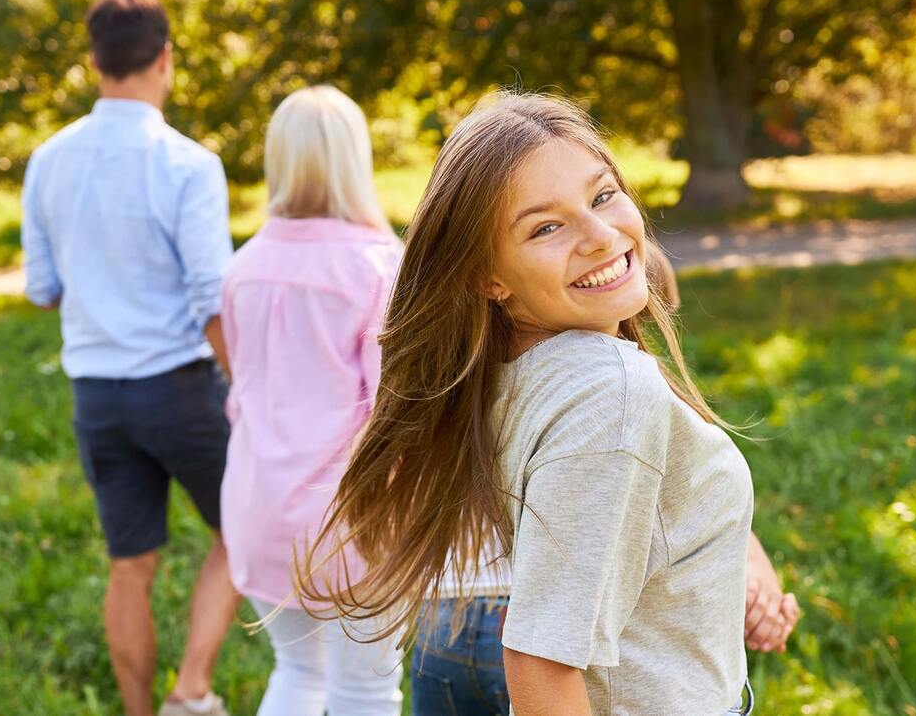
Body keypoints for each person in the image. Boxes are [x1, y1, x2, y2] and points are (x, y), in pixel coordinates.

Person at [298, 92, 757, 714]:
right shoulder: (608, 392)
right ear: (490, 278)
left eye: (601, 196)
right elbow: (540, 663)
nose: (601, 236)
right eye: (546, 227)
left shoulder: (519, 365)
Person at [410, 253, 801, 715]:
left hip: (446, 626)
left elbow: (671, 505)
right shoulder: (612, 398)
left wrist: (749, 569)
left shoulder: (518, 376)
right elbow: (540, 653)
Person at [21, 0, 235, 716]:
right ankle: (192, 691)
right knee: (243, 532)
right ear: (166, 58)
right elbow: (212, 298)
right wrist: (247, 389)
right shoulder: (188, 164)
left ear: (95, 62)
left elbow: (43, 289)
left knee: (130, 566)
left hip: (96, 396)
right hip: (178, 388)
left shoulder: (47, 160)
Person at [218, 85, 406, 715]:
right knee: (365, 690)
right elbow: (395, 414)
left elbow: (243, 390)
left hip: (257, 506)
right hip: (354, 521)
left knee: (297, 671)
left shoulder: (242, 267)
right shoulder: (381, 267)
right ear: (357, 159)